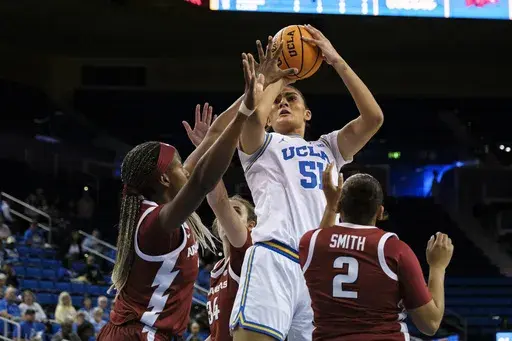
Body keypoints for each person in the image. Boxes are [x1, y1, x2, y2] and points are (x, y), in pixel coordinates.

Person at [98, 53, 291, 341]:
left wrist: (256, 87)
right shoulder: (157, 224)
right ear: (164, 179)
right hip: (139, 335)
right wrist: (244, 113)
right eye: (179, 164)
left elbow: (213, 137)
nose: (185, 167)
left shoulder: (162, 202)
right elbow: (203, 180)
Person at [230, 27, 384, 341]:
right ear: (269, 117)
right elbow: (251, 120)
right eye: (278, 103)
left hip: (320, 272)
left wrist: (336, 61)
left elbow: (373, 118)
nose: (284, 103)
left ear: (307, 113)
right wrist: (278, 79)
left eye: (292, 99)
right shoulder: (260, 145)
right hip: (274, 258)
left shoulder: (328, 149)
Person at [299, 165, 454, 340]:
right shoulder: (394, 250)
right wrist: (438, 267)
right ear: (380, 212)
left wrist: (331, 207)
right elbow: (430, 324)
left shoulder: (310, 243)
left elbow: (324, 240)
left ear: (339, 206)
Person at [182, 106, 256, 341]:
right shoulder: (217, 269)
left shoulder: (245, 254)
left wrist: (208, 148)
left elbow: (219, 199)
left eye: (237, 213)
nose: (230, 217)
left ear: (250, 226)